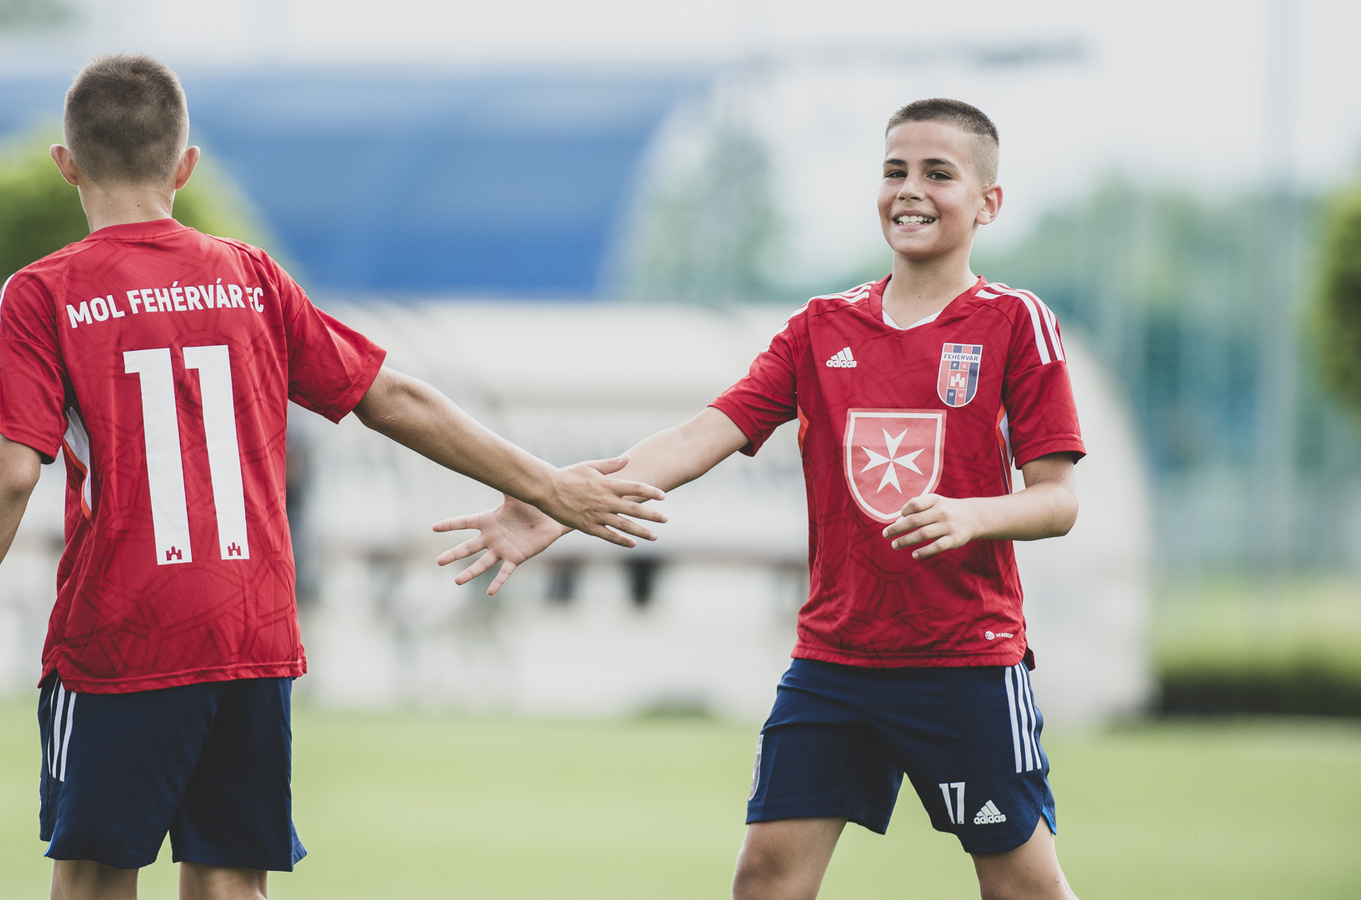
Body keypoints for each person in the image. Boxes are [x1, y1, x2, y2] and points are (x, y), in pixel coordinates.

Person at [0, 54, 665, 900]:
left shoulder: (42, 293)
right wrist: (547, 486)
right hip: (249, 629)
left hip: (123, 632)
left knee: (91, 880)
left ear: (66, 163)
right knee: (232, 884)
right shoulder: (251, 278)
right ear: (185, 166)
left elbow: (14, 471)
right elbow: (392, 397)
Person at [435, 98, 1085, 899]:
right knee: (765, 877)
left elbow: (1057, 500)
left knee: (1021, 887)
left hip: (963, 660)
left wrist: (972, 514)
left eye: (937, 173)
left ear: (988, 201)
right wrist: (550, 502)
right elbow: (701, 434)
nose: (910, 189)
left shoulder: (1015, 322)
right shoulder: (821, 327)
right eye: (894, 171)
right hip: (835, 660)